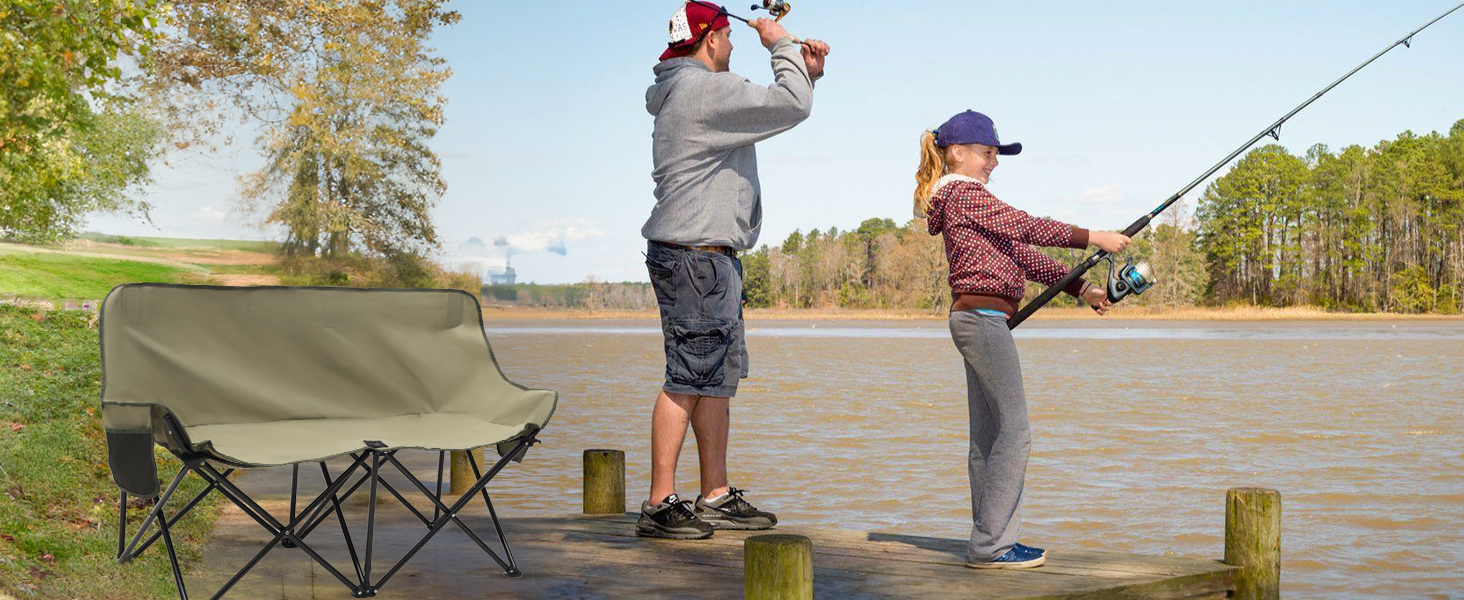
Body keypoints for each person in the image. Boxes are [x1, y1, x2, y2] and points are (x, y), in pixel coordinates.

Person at [637, 1, 830, 540]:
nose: (734, 45)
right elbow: (792, 106)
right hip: (695, 257)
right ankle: (658, 504)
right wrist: (782, 46)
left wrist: (804, 72)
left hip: (707, 258)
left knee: (715, 380)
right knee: (688, 377)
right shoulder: (702, 89)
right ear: (711, 39)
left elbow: (781, 105)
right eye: (728, 36)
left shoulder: (692, 91)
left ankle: (714, 494)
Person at [913, 110, 1131, 568]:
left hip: (980, 319)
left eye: (996, 154)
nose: (994, 162)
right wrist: (1095, 237)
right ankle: (993, 545)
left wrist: (1083, 288)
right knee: (1016, 432)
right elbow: (1029, 226)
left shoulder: (968, 204)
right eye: (987, 153)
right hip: (983, 321)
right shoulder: (963, 195)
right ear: (957, 153)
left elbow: (1024, 254)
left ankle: (985, 540)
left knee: (988, 436)